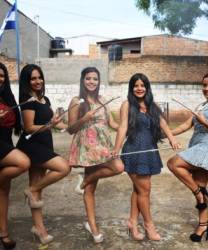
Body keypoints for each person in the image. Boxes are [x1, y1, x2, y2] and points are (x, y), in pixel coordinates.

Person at [112, 73, 180, 241]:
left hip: (149, 151)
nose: (139, 88)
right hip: (134, 151)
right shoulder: (127, 105)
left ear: (147, 88)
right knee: (145, 190)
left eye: (142, 85)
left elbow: (163, 124)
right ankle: (149, 225)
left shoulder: (152, 106)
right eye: (136, 85)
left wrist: (172, 139)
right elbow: (122, 128)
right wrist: (116, 148)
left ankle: (132, 223)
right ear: (131, 88)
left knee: (138, 189)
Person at [167, 72, 208, 242]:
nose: (207, 88)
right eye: (204, 85)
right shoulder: (202, 104)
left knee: (173, 163)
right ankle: (203, 224)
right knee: (201, 187)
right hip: (197, 144)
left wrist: (204, 121)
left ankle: (199, 194)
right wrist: (167, 134)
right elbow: (187, 125)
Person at [68, 67, 124, 244]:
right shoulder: (77, 101)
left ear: (99, 82)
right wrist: (85, 118)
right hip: (89, 146)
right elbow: (70, 129)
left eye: (95, 79)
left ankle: (82, 182)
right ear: (82, 80)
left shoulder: (103, 100)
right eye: (88, 78)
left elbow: (112, 123)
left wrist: (125, 127)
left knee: (118, 167)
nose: (91, 82)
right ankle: (92, 226)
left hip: (104, 145)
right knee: (91, 189)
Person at [17, 64, 71, 245]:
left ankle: (39, 230)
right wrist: (50, 125)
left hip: (44, 143)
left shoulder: (44, 99)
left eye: (39, 77)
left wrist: (72, 127)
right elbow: (29, 127)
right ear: (27, 81)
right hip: (32, 145)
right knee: (63, 167)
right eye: (33, 78)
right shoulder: (27, 101)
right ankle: (30, 190)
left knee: (37, 189)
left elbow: (54, 123)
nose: (38, 81)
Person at [0, 62, 30, 249]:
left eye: (2, 76)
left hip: (5, 143)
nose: (0, 79)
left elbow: (19, 125)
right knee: (23, 162)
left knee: (4, 192)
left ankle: (3, 233)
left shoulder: (7, 97)